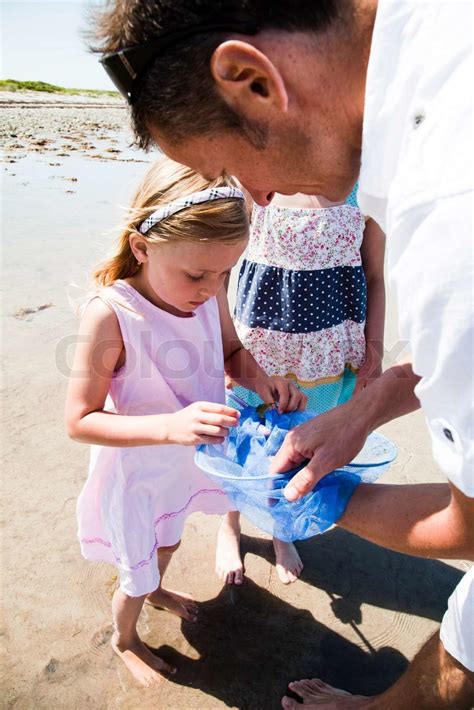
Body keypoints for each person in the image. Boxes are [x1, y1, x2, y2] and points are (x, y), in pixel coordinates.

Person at [91, 1, 474, 707]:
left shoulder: (449, 212)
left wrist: (305, 492)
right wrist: (367, 410)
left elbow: (471, 527)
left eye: (231, 166)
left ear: (253, 81)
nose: (258, 198)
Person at [64, 156, 305, 688]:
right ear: (143, 247)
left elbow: (229, 348)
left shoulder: (208, 291)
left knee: (168, 542)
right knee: (135, 564)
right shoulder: (112, 313)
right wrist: (170, 426)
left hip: (185, 463)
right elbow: (79, 421)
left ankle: (157, 587)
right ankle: (124, 637)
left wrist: (261, 380)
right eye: (197, 274)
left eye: (225, 273)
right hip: (137, 473)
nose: (210, 287)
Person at [217, 189, 385, 584]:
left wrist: (374, 352)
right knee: (243, 439)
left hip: (329, 353)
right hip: (255, 350)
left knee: (302, 443)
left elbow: (374, 274)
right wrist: (223, 348)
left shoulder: (367, 190)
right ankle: (229, 524)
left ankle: (282, 528)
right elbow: (221, 271)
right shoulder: (256, 184)